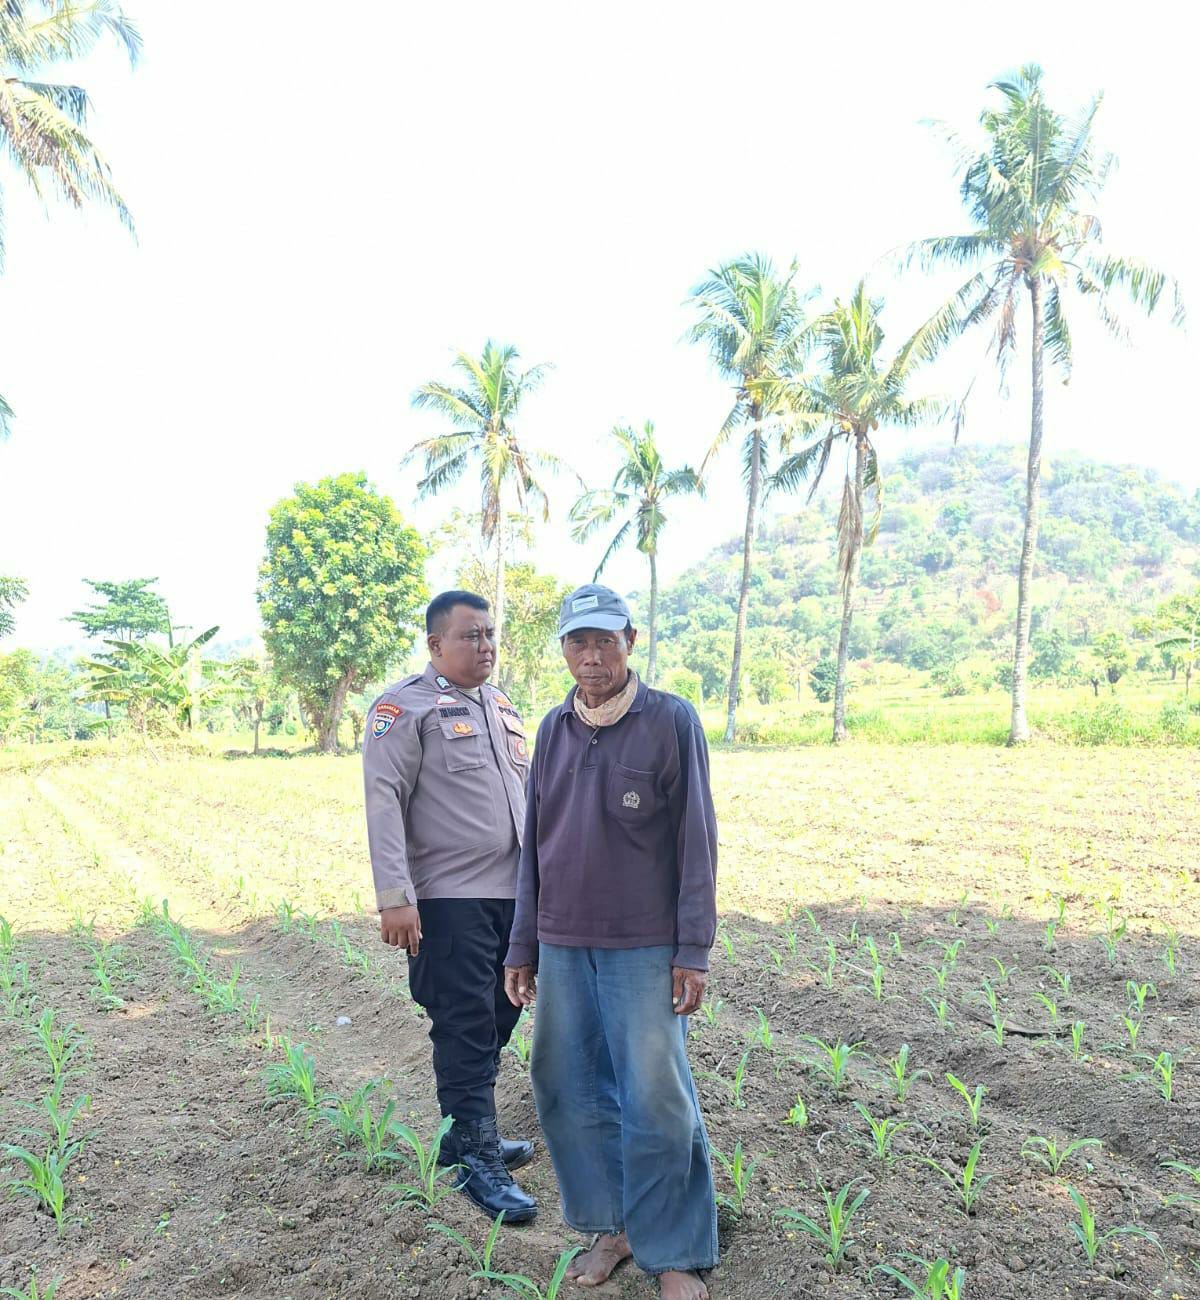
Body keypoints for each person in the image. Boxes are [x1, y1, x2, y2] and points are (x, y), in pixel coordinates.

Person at [503, 583, 719, 1300]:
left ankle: (675, 1251)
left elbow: (697, 840)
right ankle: (614, 1227)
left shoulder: (670, 721)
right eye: (578, 642)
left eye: (604, 640)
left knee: (656, 1096)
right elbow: (534, 846)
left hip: (643, 946)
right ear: (564, 649)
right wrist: (522, 944)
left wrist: (692, 949)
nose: (591, 656)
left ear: (630, 640)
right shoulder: (553, 729)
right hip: (563, 944)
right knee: (567, 1084)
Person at [363, 589, 537, 1223]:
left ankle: (463, 1131)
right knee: (464, 1022)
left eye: (490, 635)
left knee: (502, 1012)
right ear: (436, 644)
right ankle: (477, 1158)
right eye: (471, 636)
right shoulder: (403, 707)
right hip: (448, 897)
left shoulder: (502, 706)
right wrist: (395, 897)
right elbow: (383, 799)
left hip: (514, 895)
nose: (485, 646)